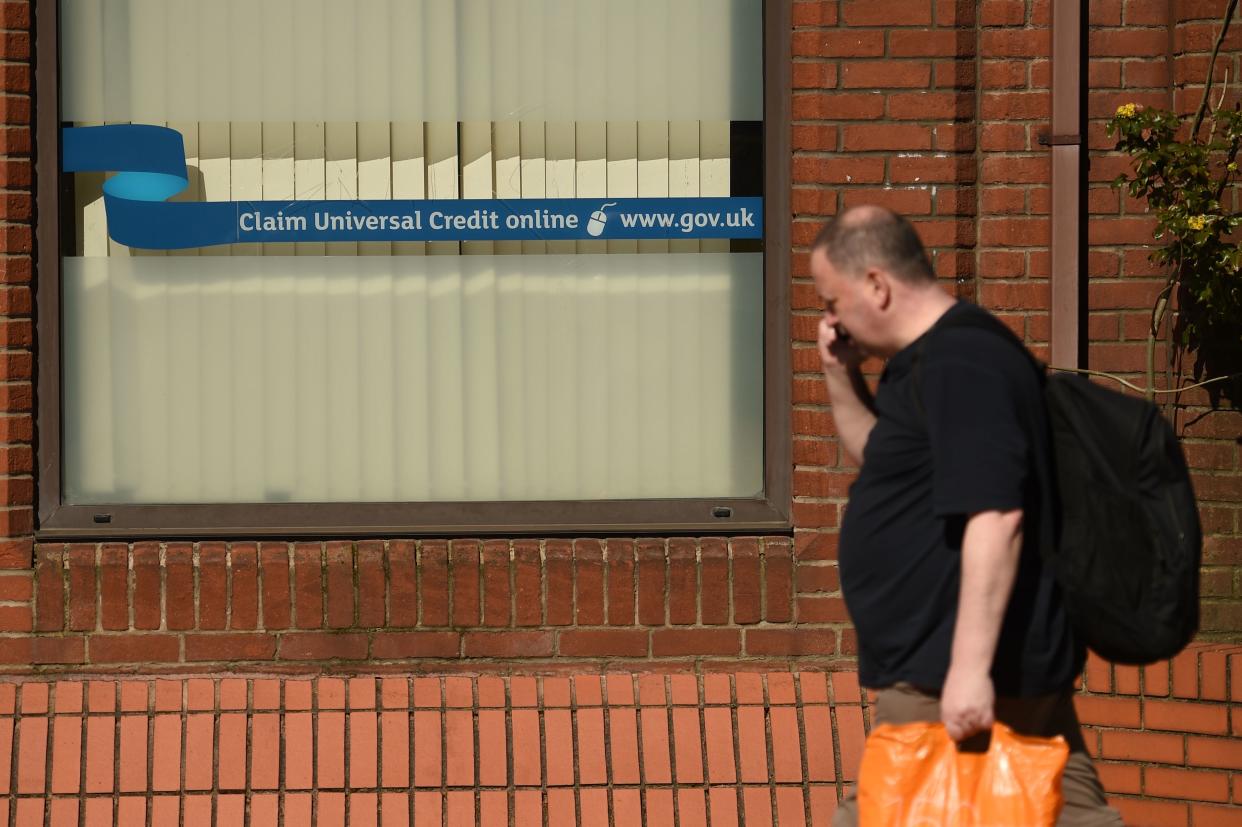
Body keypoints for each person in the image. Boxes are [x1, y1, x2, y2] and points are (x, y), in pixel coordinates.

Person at [814, 206, 1123, 826]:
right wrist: (839, 373)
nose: (830, 318)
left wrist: (968, 671)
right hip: (975, 659)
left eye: (832, 300)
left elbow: (997, 515)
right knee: (1072, 813)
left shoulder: (964, 362)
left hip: (947, 668)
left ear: (876, 285)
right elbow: (881, 459)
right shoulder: (926, 363)